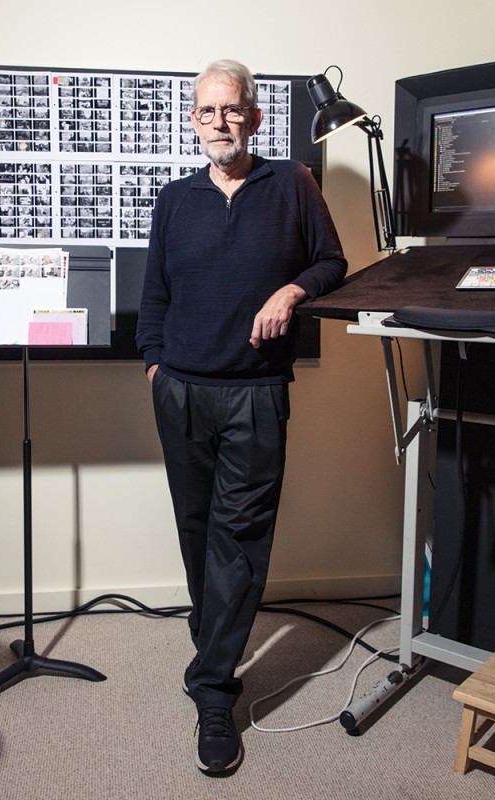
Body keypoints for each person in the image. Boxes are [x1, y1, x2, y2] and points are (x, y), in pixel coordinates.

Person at [135, 59, 347, 775]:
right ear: (193, 121)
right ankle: (215, 637)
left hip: (256, 393)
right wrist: (156, 367)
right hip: (181, 392)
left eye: (231, 110)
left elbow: (332, 263)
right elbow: (154, 293)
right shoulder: (174, 197)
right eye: (205, 112)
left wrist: (291, 290)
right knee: (197, 530)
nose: (219, 123)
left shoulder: (292, 183)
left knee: (241, 538)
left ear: (254, 117)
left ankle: (214, 689)